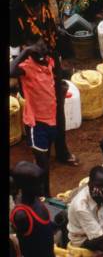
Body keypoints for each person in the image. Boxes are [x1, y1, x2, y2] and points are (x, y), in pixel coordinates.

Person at [9, 0, 79, 168]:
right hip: (30, 69)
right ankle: (40, 152)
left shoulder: (44, 6)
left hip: (51, 62)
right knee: (36, 110)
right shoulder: (19, 13)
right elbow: (13, 25)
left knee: (57, 106)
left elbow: (53, 31)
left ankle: (62, 150)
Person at [10, 39, 60, 197]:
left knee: (44, 161)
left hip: (51, 120)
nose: (41, 49)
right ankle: (45, 195)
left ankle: (39, 193)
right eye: (36, 47)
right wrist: (25, 52)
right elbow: (10, 72)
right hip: (36, 124)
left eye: (43, 46)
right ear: (29, 49)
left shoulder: (49, 61)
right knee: (43, 164)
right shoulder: (26, 67)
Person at [9, 161, 57, 257]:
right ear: (25, 186)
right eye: (37, 183)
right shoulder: (22, 215)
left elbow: (41, 231)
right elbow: (22, 243)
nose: (42, 186)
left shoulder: (35, 200)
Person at [67, 166, 103, 250]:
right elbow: (100, 237)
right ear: (89, 184)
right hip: (83, 238)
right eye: (98, 186)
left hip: (100, 228)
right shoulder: (80, 206)